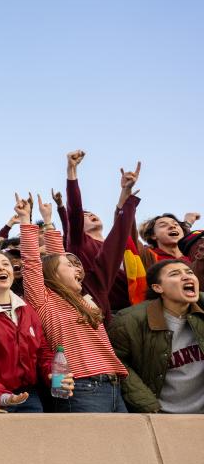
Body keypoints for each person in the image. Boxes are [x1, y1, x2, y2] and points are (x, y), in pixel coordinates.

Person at [19, 193, 128, 412]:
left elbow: (59, 259)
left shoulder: (82, 300)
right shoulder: (44, 299)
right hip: (78, 386)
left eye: (77, 266)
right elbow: (33, 262)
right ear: (51, 274)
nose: (78, 269)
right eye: (71, 266)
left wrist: (49, 221)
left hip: (113, 383)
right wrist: (26, 219)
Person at [0, 250, 74, 411]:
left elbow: (42, 351)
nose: (1, 269)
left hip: (29, 397)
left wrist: (52, 373)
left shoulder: (27, 309)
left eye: (5, 264)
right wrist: (2, 397)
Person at [109, 260, 204, 413]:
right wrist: (148, 406)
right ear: (158, 287)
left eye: (189, 272)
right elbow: (116, 362)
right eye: (175, 274)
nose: (187, 277)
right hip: (161, 419)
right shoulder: (130, 321)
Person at [65, 150, 140, 318]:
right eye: (85, 216)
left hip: (140, 306)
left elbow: (123, 222)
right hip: (109, 313)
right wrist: (71, 171)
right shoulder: (79, 244)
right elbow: (74, 210)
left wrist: (125, 190)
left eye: (92, 213)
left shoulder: (122, 243)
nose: (90, 215)